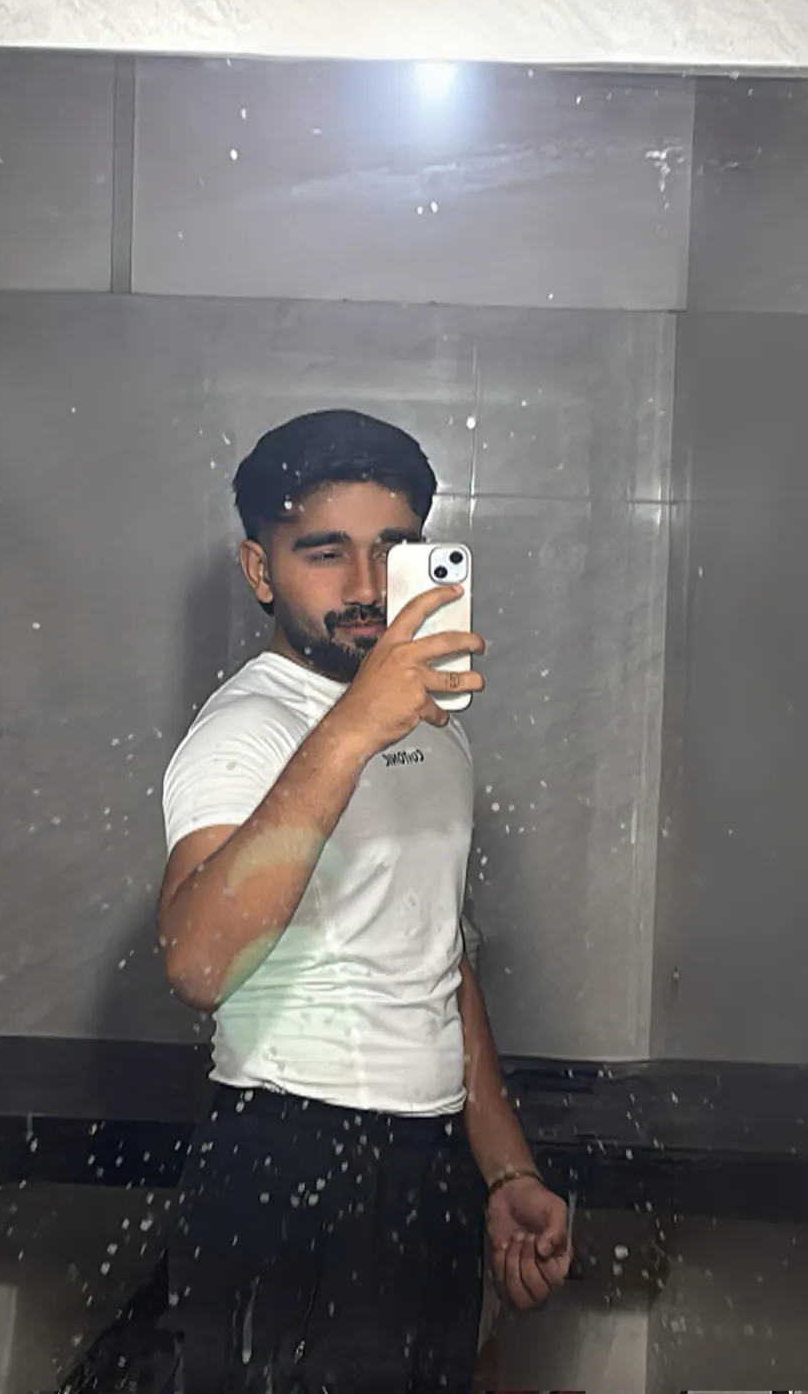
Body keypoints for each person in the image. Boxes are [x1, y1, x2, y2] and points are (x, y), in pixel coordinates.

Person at [158, 409, 572, 1392]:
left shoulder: (434, 725)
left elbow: (435, 956)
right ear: (260, 569)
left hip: (426, 1164)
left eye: (390, 549)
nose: (363, 585)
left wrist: (504, 1168)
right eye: (323, 552)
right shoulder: (246, 728)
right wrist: (352, 729)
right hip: (286, 1160)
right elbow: (198, 965)